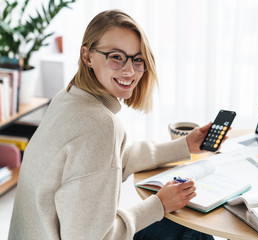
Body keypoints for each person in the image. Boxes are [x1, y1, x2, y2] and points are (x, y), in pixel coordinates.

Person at [8, 9, 216, 240]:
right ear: (87, 56)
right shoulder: (100, 126)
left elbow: (104, 161)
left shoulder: (67, 98)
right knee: (191, 230)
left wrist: (184, 146)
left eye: (138, 59)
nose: (129, 70)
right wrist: (160, 204)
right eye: (116, 56)